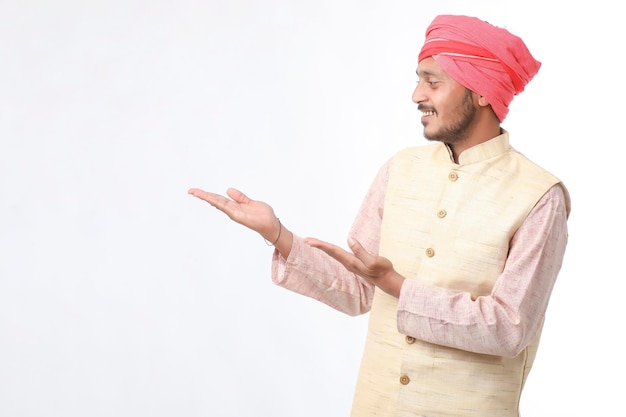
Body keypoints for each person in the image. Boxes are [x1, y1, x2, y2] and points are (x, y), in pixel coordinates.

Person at [188, 14, 570, 417]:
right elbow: (359, 291)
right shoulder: (401, 169)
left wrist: (399, 286)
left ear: (480, 91)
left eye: (433, 81)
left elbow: (509, 328)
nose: (416, 95)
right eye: (418, 79)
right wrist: (278, 234)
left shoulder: (539, 196)